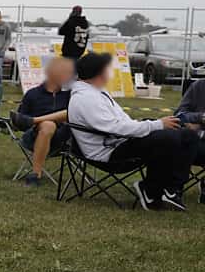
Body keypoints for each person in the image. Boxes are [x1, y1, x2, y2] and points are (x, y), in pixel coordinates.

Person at [66, 51, 197, 210]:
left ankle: (171, 189)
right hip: (109, 152)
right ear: (98, 73)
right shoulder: (85, 98)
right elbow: (116, 128)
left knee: (187, 135)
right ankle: (151, 190)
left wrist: (150, 124)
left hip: (120, 141)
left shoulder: (97, 92)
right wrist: (156, 125)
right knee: (167, 138)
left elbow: (123, 122)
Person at [11, 55, 74, 185]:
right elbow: (21, 123)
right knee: (48, 125)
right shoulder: (33, 94)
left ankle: (36, 120)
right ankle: (36, 173)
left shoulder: (70, 95)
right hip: (35, 137)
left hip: (63, 138)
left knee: (62, 117)